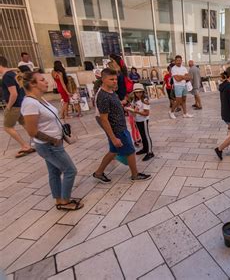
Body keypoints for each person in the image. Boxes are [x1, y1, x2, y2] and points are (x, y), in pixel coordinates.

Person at [19, 71, 83, 210]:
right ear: (32, 84)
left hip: (53, 143)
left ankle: (59, 199)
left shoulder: (40, 99)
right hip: (49, 146)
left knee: (54, 172)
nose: (47, 82)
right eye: (42, 80)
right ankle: (65, 201)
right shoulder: (30, 103)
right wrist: (54, 140)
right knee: (70, 170)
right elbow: (32, 131)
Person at [92, 68, 151, 182]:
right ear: (103, 79)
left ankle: (98, 173)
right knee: (130, 151)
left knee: (113, 151)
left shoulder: (110, 91)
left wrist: (123, 105)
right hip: (117, 129)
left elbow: (114, 106)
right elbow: (104, 119)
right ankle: (135, 175)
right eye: (111, 79)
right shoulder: (103, 96)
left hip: (119, 127)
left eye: (115, 79)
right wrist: (113, 137)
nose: (115, 81)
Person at [0, 56, 34, 158]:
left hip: (14, 105)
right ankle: (39, 140)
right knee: (24, 123)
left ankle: (25, 146)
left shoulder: (7, 76)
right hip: (21, 103)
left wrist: (8, 107)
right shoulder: (12, 74)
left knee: (7, 127)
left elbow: (13, 94)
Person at [129, 83, 154, 161]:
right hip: (137, 120)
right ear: (134, 93)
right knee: (142, 135)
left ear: (143, 92)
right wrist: (131, 110)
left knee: (146, 135)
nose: (138, 94)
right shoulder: (134, 100)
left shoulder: (145, 100)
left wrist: (137, 112)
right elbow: (133, 113)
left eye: (140, 92)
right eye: (137, 92)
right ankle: (145, 149)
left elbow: (146, 113)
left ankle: (150, 152)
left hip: (143, 120)